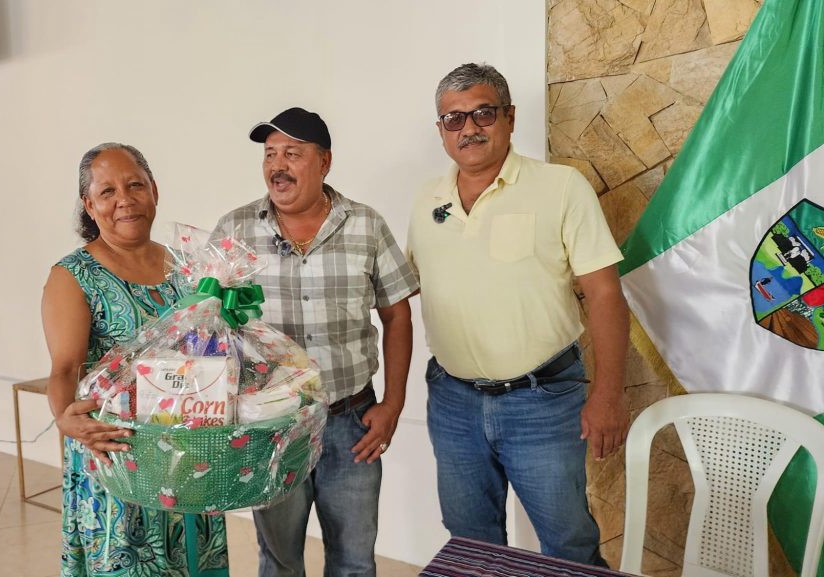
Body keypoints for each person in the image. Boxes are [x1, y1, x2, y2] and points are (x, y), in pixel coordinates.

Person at [406, 63, 629, 566]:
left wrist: (609, 394)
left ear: (509, 117)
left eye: (482, 114)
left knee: (568, 546)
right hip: (453, 401)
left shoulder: (561, 187)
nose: (468, 128)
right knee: (470, 545)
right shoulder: (427, 200)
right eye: (454, 119)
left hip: (542, 401)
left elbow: (604, 295)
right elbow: (408, 284)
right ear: (441, 130)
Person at [214, 107, 418, 576]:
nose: (277, 166)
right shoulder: (235, 231)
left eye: (292, 153)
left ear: (324, 162)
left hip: (351, 423)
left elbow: (397, 315)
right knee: (279, 560)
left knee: (354, 561)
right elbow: (210, 327)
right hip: (271, 424)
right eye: (270, 154)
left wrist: (393, 404)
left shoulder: (366, 225)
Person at [41, 143, 229, 577]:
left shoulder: (188, 267)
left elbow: (213, 347)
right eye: (107, 192)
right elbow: (65, 368)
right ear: (89, 206)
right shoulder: (74, 276)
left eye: (135, 185)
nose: (124, 200)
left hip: (189, 458)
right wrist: (65, 418)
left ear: (154, 190)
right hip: (120, 459)